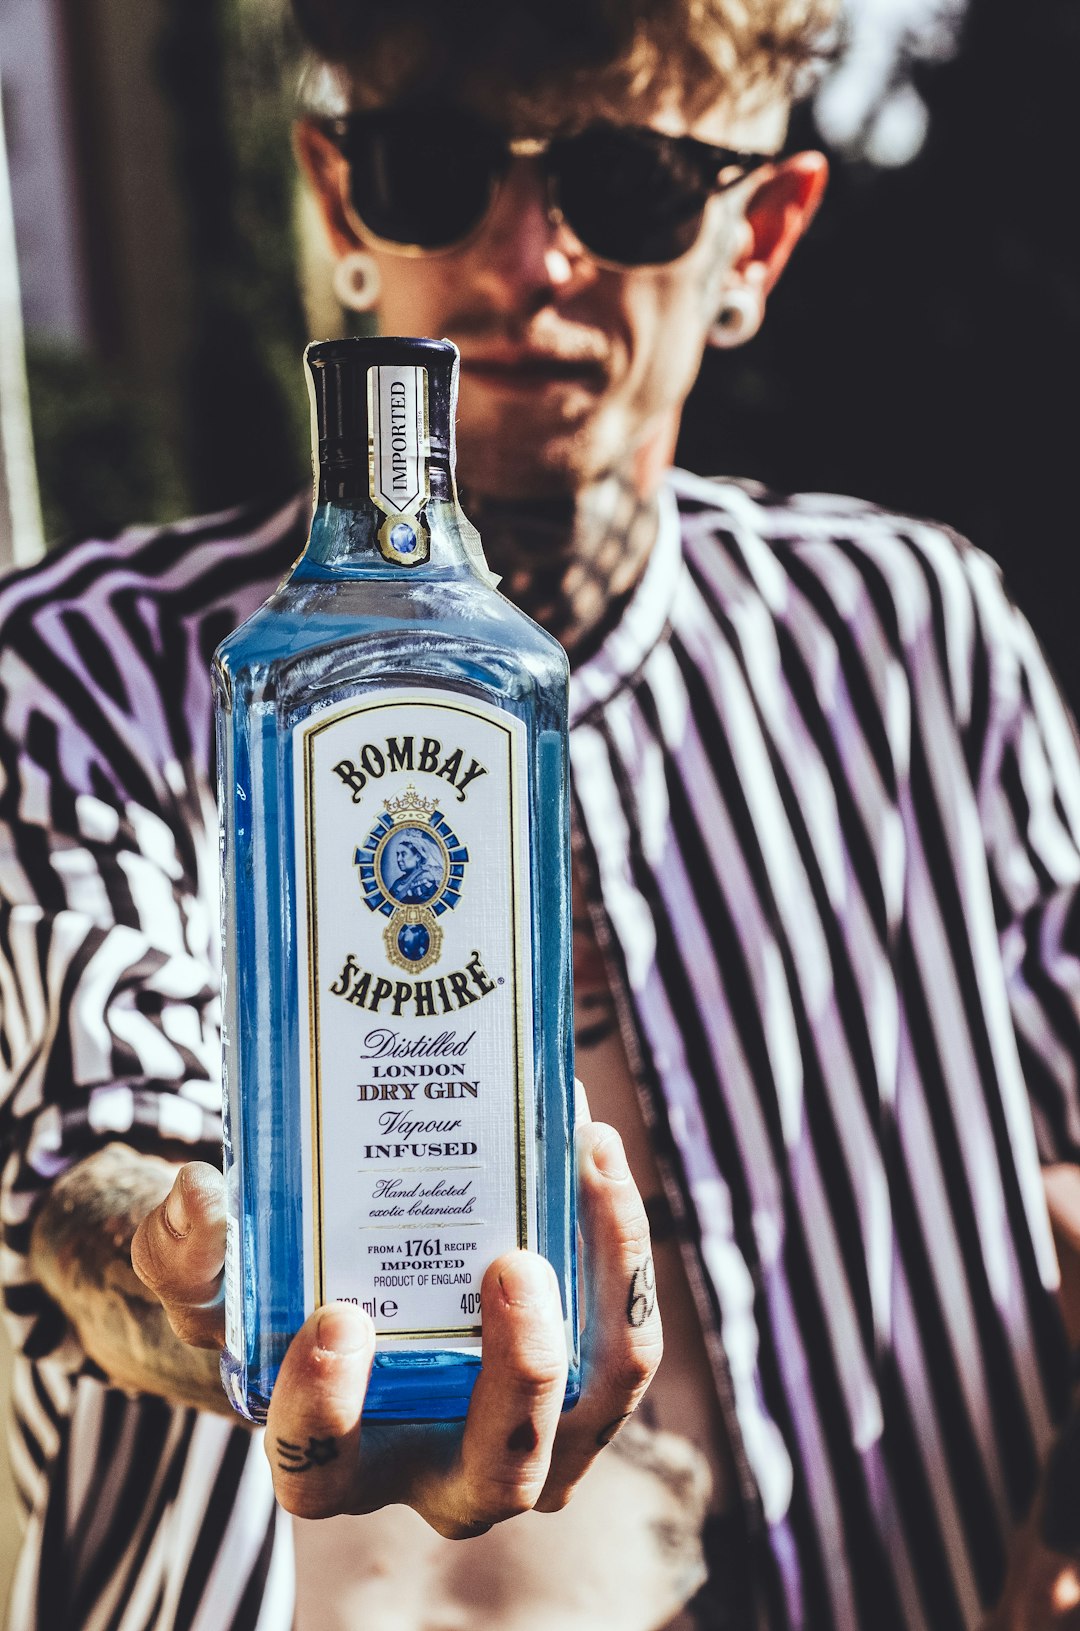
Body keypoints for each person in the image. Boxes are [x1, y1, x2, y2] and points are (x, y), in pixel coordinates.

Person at [4, 1, 1080, 1627]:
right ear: (340, 197)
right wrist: (189, 1286)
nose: (527, 266)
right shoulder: (98, 667)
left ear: (759, 237)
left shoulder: (921, 641)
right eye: (435, 169)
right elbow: (86, 1172)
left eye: (628, 183)